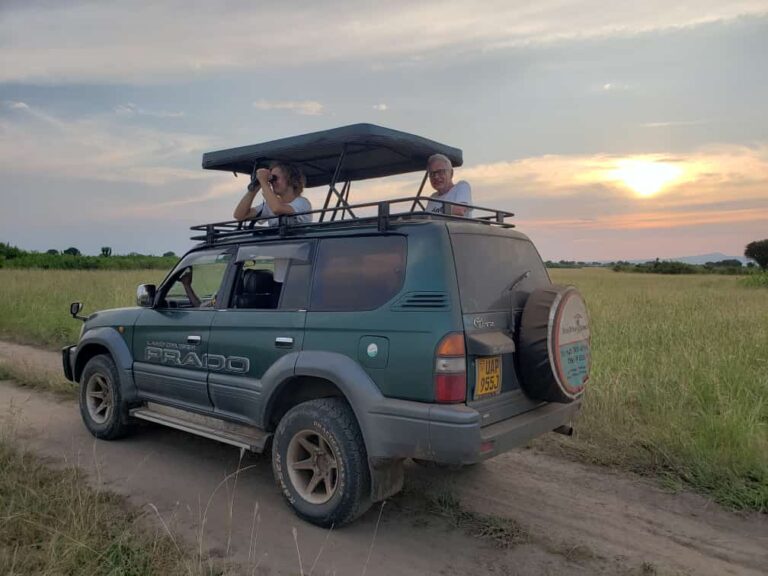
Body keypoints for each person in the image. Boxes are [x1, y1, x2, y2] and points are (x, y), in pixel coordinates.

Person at [233, 162, 312, 225]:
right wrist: (255, 187)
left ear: (290, 179)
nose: (272, 182)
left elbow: (277, 209)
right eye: (271, 179)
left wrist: (263, 181)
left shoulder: (302, 203)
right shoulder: (270, 205)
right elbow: (239, 215)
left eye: (275, 178)